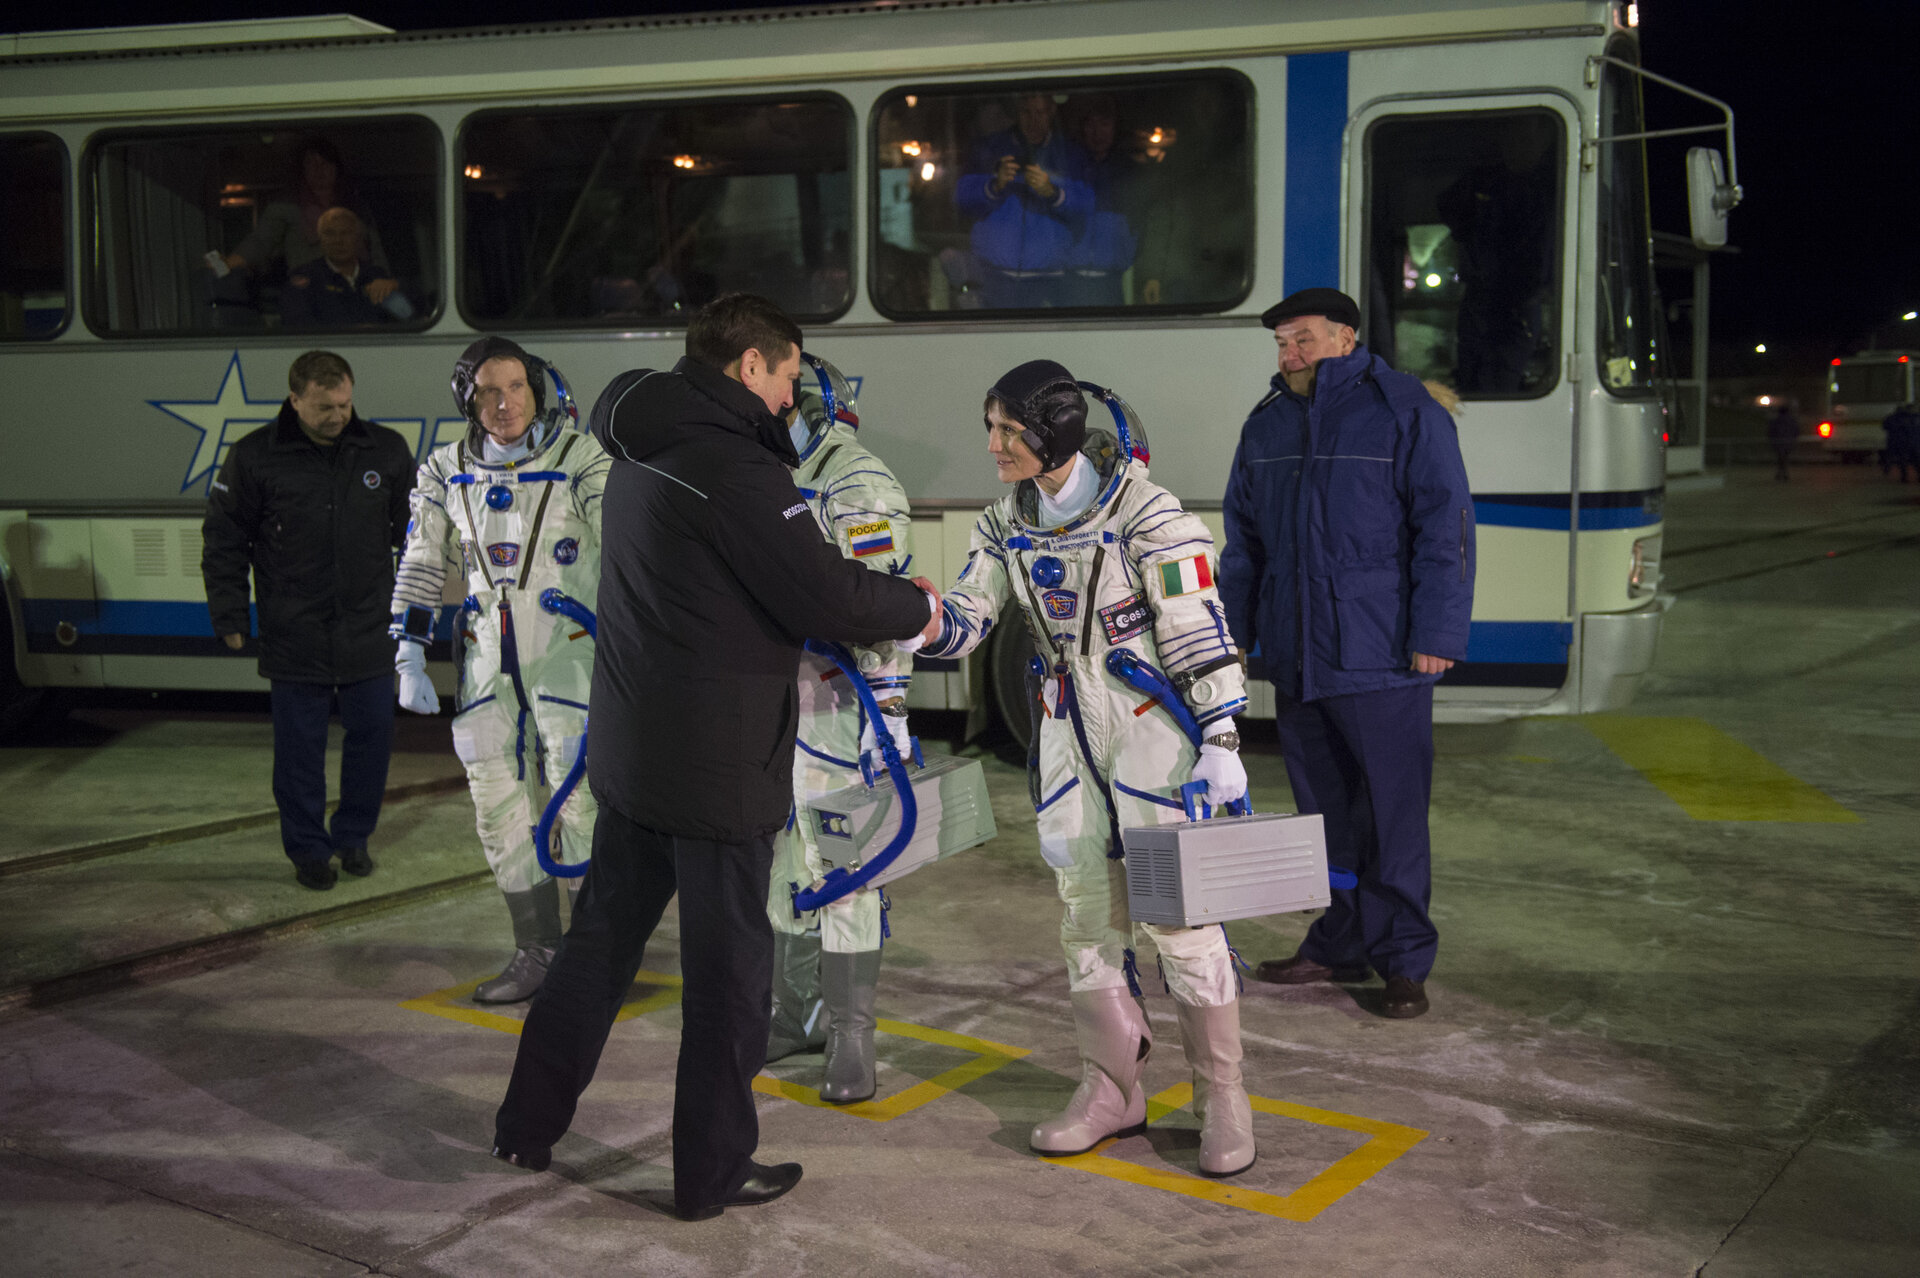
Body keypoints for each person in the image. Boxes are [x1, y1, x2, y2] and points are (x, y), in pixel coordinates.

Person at [491, 293, 942, 1222]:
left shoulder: (639, 442)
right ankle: (709, 1175)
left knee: (597, 952)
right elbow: (831, 597)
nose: (790, 396)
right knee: (731, 986)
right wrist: (921, 608)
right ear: (749, 367)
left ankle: (525, 1124)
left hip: (635, 754)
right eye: (785, 375)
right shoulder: (736, 469)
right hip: (720, 767)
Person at [919, 359, 1259, 1178]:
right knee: (1083, 909)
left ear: (1055, 433)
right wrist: (911, 617)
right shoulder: (1007, 522)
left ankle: (1223, 1097)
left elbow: (1196, 625)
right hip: (1068, 728)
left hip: (1150, 733)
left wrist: (1221, 737)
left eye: (1009, 431)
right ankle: (1112, 1087)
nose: (994, 446)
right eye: (991, 429)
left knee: (1179, 919)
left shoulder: (1149, 515)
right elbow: (967, 618)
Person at [1219, 287, 1475, 1021]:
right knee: (1321, 816)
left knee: (1392, 813)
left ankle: (1401, 959)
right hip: (1299, 655)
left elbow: (1445, 527)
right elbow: (1246, 546)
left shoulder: (1403, 409)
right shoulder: (1266, 425)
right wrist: (1231, 636)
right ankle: (1338, 941)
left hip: (1382, 653)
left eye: (1302, 340)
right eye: (1280, 343)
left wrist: (1435, 634)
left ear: (1346, 337)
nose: (1288, 353)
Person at [388, 337, 610, 1003]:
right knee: (495, 804)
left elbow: (629, 549)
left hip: (572, 653)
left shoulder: (582, 458)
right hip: (488, 656)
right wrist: (407, 651)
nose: (503, 402)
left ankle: (593, 958)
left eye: (515, 386)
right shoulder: (443, 470)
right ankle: (536, 949)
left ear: (536, 391)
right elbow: (423, 561)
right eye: (487, 390)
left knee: (581, 800)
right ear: (467, 398)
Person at [200, 351, 415, 890]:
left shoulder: (385, 450)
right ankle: (308, 850)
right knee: (299, 753)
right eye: (323, 407)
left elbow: (415, 539)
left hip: (369, 629)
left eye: (344, 403)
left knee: (372, 740)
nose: (338, 415)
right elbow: (225, 541)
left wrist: (418, 614)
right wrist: (229, 614)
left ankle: (353, 838)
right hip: (294, 632)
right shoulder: (255, 457)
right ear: (295, 400)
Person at [762, 353, 916, 1103]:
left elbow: (881, 608)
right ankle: (796, 1013)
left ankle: (852, 1035)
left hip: (833, 709)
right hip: (758, 707)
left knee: (842, 872)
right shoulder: (748, 472)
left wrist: (885, 720)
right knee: (774, 867)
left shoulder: (854, 479)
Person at [954, 92, 1091, 309]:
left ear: (1052, 112)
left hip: (1049, 280)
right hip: (992, 277)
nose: (1033, 121)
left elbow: (1087, 205)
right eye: (1026, 112)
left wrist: (1053, 193)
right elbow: (962, 197)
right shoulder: (991, 147)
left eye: (1040, 113)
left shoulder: (1069, 153)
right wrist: (993, 186)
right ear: (1017, 112)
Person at [216, 138, 393, 290]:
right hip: (311, 292)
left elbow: (375, 250)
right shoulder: (286, 207)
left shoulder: (356, 207)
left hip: (359, 289)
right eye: (311, 163)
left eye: (325, 162)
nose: (319, 169)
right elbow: (261, 241)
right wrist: (231, 262)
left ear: (336, 167)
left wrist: (382, 280)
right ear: (303, 170)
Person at [281, 208, 405, 329]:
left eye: (345, 233)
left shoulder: (375, 274)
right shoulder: (306, 279)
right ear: (320, 239)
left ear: (358, 238)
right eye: (330, 234)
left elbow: (410, 313)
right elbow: (298, 325)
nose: (338, 241)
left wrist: (396, 285)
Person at [1881, 402, 1919, 483]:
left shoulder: (1892, 418)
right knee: (1915, 460)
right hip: (1912, 442)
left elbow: (1885, 427)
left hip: (1898, 443)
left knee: (1902, 461)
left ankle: (1903, 477)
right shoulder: (1913, 417)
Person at [1767, 403, 1801, 482]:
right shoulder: (1791, 420)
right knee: (1784, 457)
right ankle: (1784, 473)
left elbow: (1770, 431)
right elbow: (1796, 430)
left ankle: (1781, 473)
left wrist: (1772, 440)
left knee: (1780, 458)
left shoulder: (1775, 421)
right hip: (1788, 442)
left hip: (1778, 442)